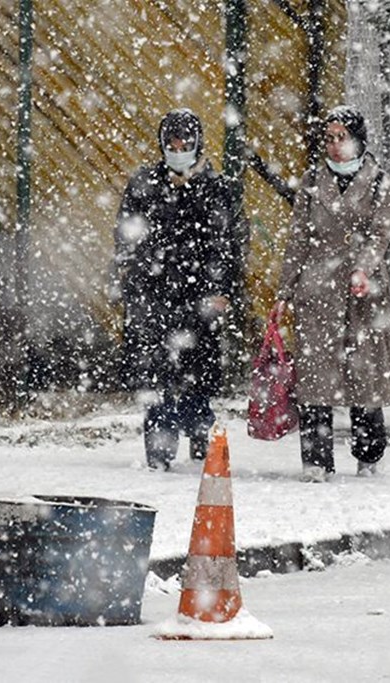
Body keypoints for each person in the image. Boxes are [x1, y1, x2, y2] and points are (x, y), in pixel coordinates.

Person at [274, 105, 390, 482]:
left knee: (365, 376)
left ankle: (369, 454)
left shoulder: (379, 181)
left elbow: (381, 232)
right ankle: (316, 461)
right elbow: (298, 239)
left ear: (359, 140)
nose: (333, 145)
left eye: (341, 137)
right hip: (318, 289)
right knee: (316, 379)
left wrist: (363, 266)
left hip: (365, 290)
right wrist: (285, 291)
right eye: (328, 138)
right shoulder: (313, 182)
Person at [112, 108, 238, 470]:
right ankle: (160, 455)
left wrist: (219, 288)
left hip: (198, 298)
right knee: (157, 381)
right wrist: (133, 273)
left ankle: (202, 447)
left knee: (197, 379)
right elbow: (126, 232)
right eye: (171, 141)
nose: (177, 147)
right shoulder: (145, 183)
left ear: (197, 142)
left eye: (184, 140)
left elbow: (225, 243)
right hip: (153, 295)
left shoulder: (215, 187)